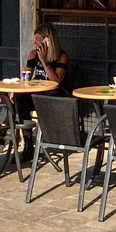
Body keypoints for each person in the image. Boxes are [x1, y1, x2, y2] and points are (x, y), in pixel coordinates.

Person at [17, 23, 69, 160]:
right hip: (36, 94)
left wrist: (44, 62)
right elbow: (27, 78)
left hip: (52, 96)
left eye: (38, 39)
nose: (35, 43)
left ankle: (39, 140)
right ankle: (27, 144)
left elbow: (56, 81)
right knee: (18, 98)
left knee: (28, 101)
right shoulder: (33, 54)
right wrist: (17, 87)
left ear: (48, 40)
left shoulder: (61, 56)